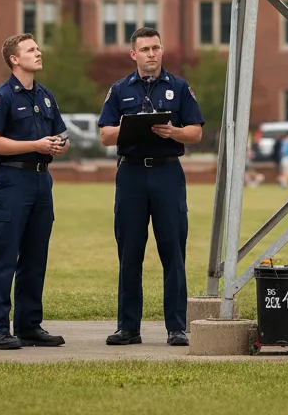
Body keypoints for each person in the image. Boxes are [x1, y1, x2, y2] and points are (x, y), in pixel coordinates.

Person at [99, 26, 205, 347]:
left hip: (167, 174)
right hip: (131, 174)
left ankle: (176, 327)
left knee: (173, 251)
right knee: (130, 252)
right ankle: (128, 327)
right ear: (134, 54)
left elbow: (196, 132)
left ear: (162, 50)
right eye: (144, 49)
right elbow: (105, 135)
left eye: (155, 48)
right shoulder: (120, 90)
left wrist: (173, 132)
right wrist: (130, 126)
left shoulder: (179, 87)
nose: (151, 54)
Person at [0, 32, 69, 350]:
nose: (38, 52)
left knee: (35, 257)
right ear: (14, 59)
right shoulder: (1, 97)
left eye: (38, 48)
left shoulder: (45, 96)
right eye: (31, 50)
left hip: (41, 182)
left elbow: (60, 133)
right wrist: (35, 145)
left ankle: (29, 326)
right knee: (4, 256)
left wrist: (59, 145)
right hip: (11, 182)